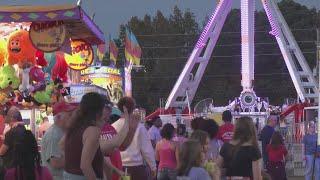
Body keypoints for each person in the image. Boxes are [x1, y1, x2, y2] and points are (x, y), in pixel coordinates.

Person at [63, 92, 130, 180]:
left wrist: (115, 170)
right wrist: (127, 121)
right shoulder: (92, 130)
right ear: (99, 110)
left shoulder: (75, 126)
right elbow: (85, 165)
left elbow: (61, 145)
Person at [112, 98, 156, 180]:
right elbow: (147, 149)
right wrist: (153, 167)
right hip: (137, 169)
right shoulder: (140, 126)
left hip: (119, 169)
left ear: (119, 108)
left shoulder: (113, 126)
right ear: (133, 108)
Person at [41, 101, 76, 180]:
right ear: (59, 117)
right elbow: (55, 163)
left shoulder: (61, 132)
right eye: (69, 115)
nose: (73, 117)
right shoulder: (54, 135)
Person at [100, 98, 124, 180]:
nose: (110, 112)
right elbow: (101, 156)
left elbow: (119, 147)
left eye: (111, 109)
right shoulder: (93, 129)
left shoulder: (111, 128)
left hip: (118, 172)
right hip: (105, 174)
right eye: (107, 108)